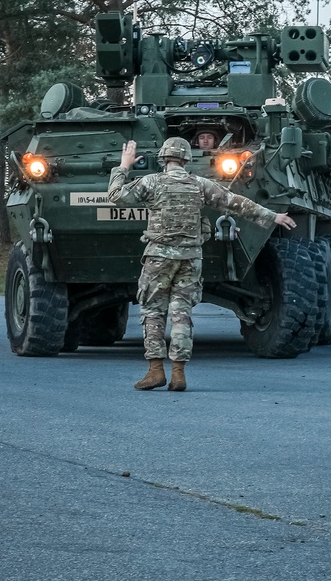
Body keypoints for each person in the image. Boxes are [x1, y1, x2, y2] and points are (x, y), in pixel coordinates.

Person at [108, 136, 296, 392]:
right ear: (186, 159)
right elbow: (236, 203)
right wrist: (273, 216)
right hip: (190, 258)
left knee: (153, 311)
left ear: (163, 158)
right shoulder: (199, 184)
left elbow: (117, 196)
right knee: (181, 314)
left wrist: (124, 166)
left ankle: (155, 371)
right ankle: (178, 374)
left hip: (159, 257)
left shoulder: (151, 182)